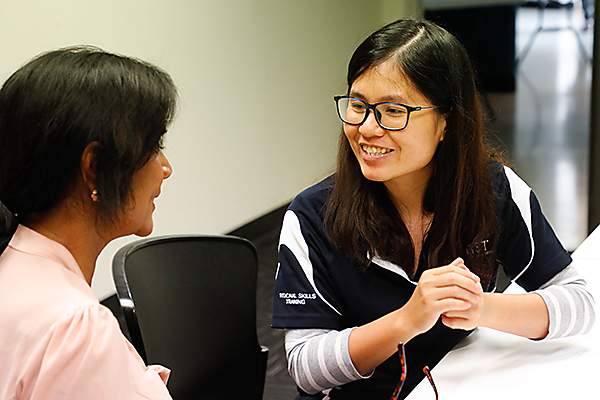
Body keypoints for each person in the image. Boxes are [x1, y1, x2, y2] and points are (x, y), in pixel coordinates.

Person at [272, 19, 596, 400]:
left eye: (393, 110)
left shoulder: (494, 190)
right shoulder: (312, 215)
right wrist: (405, 322)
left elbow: (579, 302)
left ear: (447, 121)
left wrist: (481, 309)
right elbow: (306, 367)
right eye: (358, 105)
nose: (367, 128)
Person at [0, 46, 177, 399]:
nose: (165, 168)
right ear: (94, 168)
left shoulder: (12, 265)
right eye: (154, 146)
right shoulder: (73, 328)